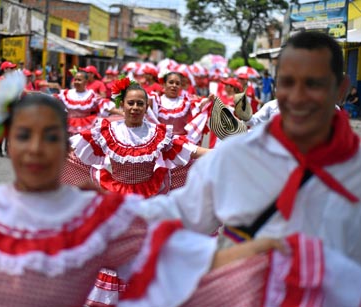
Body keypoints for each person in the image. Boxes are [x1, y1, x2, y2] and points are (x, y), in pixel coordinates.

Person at [0, 71, 360, 307]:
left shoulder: (109, 222)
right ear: (7, 142)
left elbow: (200, 267)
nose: (36, 150)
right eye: (24, 136)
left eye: (49, 136)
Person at [137, 31, 361, 280]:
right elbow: (185, 216)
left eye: (313, 83)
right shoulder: (236, 156)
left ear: (340, 88)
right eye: (287, 81)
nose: (298, 96)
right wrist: (111, 212)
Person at [62, 79, 210, 198]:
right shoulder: (107, 131)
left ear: (146, 107)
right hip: (115, 191)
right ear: (123, 105)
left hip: (149, 192)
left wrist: (221, 152)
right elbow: (73, 145)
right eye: (130, 103)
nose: (135, 107)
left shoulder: (158, 133)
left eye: (140, 104)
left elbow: (191, 150)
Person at [54, 70, 121, 135]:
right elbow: (51, 101)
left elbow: (106, 107)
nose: (76, 82)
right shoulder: (67, 94)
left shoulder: (91, 95)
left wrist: (122, 113)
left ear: (86, 82)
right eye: (75, 79)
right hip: (68, 125)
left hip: (86, 126)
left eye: (79, 80)